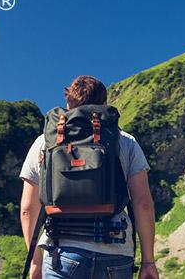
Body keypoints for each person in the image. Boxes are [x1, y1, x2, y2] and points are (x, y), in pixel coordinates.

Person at [19, 76, 159, 279]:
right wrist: (148, 261)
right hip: (116, 254)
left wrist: (35, 261)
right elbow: (143, 203)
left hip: (62, 253)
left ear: (68, 103)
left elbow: (27, 209)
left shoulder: (44, 143)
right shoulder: (125, 141)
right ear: (104, 104)